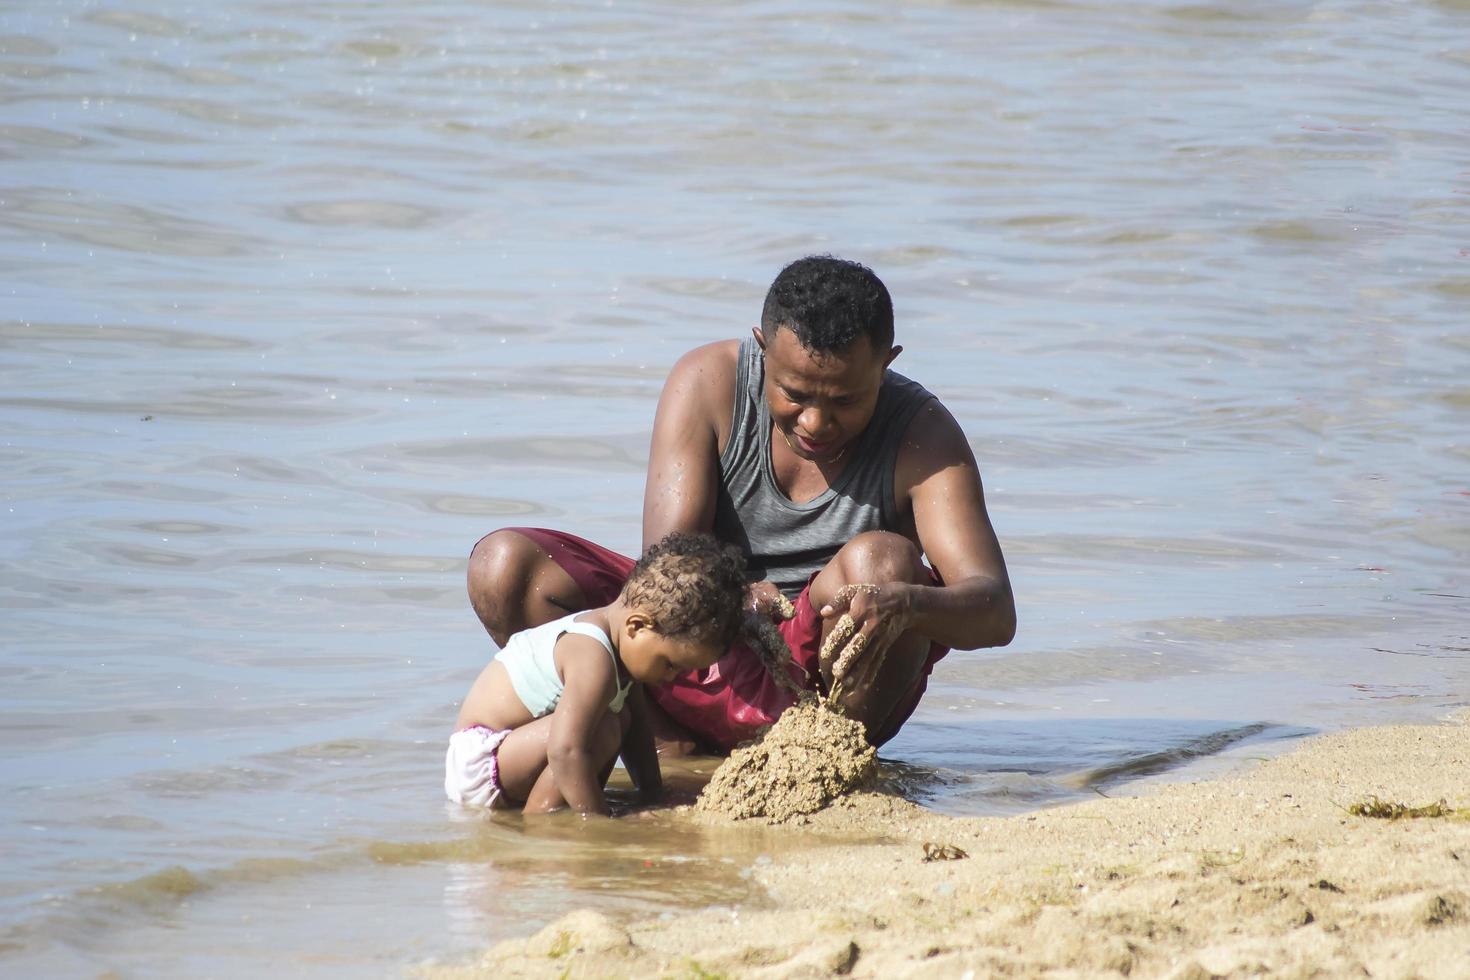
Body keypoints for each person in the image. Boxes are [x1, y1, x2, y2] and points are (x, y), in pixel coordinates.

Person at [468, 255, 1016, 754]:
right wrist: (732, 593)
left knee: (886, 564)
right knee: (506, 567)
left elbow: (994, 610)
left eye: (846, 400)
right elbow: (666, 565)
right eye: (794, 394)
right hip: (700, 647)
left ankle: (819, 764)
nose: (816, 423)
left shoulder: (925, 435)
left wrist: (907, 604)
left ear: (886, 364)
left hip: (819, 686)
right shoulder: (707, 383)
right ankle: (663, 748)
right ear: (761, 347)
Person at [446, 532, 745, 814]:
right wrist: (596, 823)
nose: (672, 677)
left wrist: (653, 795)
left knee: (620, 720)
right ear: (637, 626)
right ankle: (542, 817)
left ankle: (568, 806)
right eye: (670, 664)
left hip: (518, 752)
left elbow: (640, 737)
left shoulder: (620, 654)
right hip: (483, 761)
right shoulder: (592, 655)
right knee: (604, 727)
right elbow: (565, 750)